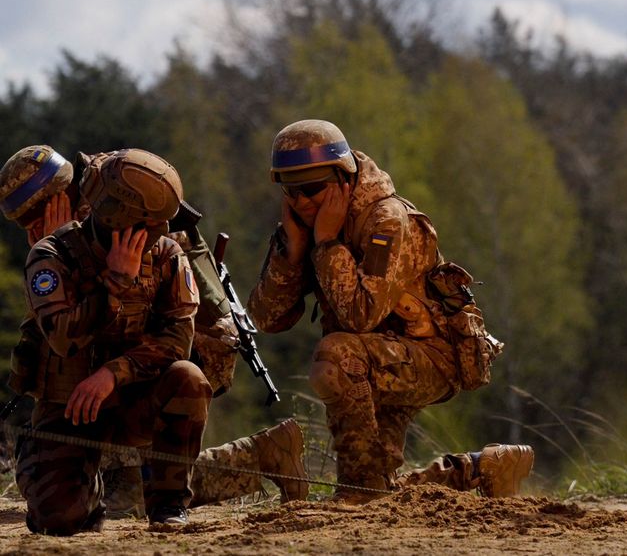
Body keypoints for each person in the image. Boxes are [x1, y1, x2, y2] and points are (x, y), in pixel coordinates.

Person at [0, 146, 308, 524]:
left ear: (62, 197)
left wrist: (114, 366)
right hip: (99, 384)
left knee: (132, 494)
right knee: (76, 504)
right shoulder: (72, 235)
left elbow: (178, 336)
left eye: (37, 215)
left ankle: (255, 460)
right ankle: (261, 456)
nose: (32, 230)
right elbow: (58, 337)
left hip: (166, 368)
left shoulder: (134, 217)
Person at [248, 119, 533, 504]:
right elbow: (266, 319)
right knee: (382, 488)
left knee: (336, 355)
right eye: (290, 190)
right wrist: (293, 254)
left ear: (342, 178)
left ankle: (355, 494)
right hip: (377, 360)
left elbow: (360, 316)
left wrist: (328, 244)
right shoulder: (305, 225)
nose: (300, 202)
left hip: (430, 355)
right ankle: (480, 470)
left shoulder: (386, 220)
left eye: (312, 189)